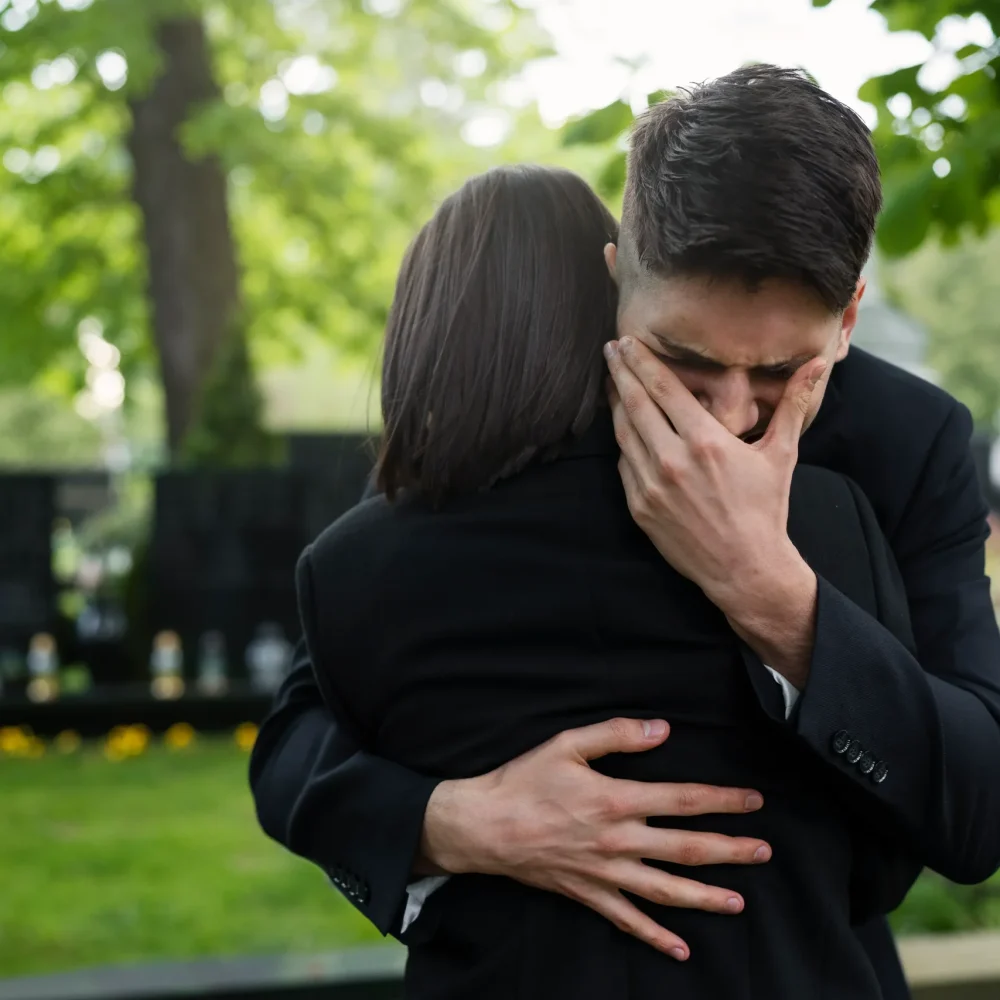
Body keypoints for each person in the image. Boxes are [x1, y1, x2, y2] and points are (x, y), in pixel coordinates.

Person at [250, 66, 1000, 1000]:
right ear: (617, 280)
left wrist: (771, 595)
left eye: (780, 373)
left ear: (848, 318)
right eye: (683, 361)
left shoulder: (909, 443)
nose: (728, 419)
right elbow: (298, 735)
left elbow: (980, 806)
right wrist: (454, 822)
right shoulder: (513, 419)